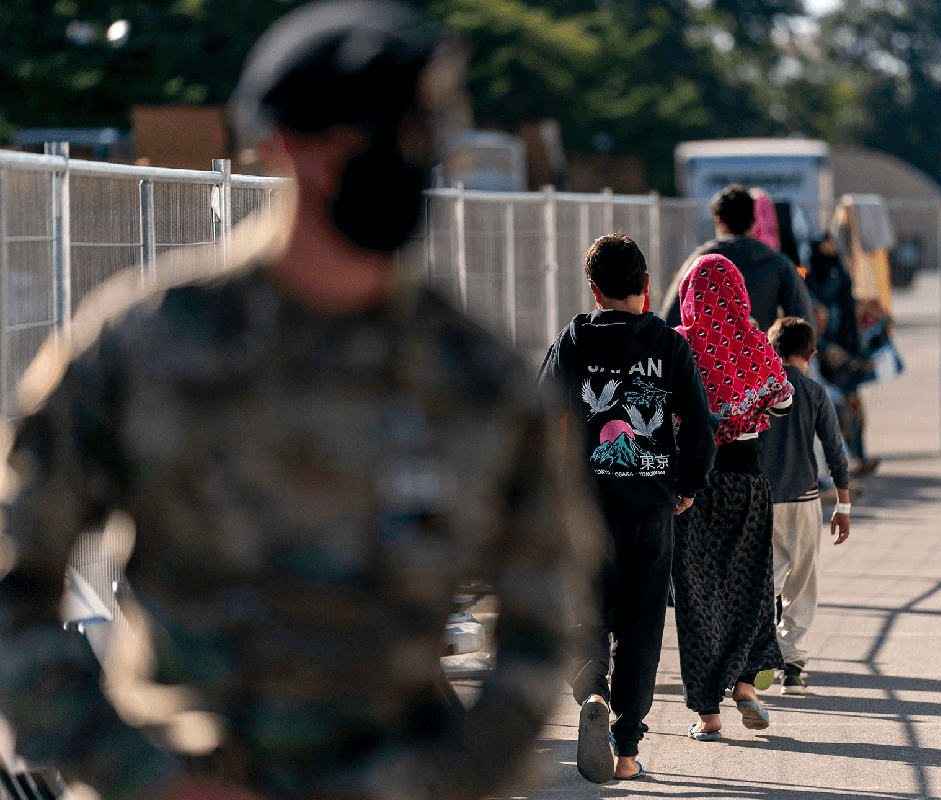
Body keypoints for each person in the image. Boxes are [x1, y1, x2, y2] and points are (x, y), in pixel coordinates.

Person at [0, 4, 599, 800]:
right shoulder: (142, 346)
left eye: (425, 133)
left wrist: (443, 780)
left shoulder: (477, 378)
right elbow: (15, 578)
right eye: (383, 134)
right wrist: (140, 772)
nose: (412, 157)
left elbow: (543, 623)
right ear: (285, 145)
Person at [538, 233, 717, 782]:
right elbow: (702, 431)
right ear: (645, 286)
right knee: (641, 627)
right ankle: (626, 751)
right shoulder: (668, 344)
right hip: (651, 510)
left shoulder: (574, 340)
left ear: (593, 291)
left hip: (587, 507)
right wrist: (686, 486)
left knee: (586, 612)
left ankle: (591, 691)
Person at [669, 254, 793, 741]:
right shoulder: (754, 341)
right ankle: (745, 686)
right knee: (752, 589)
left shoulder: (681, 343)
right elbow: (782, 399)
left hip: (693, 487)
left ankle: (708, 716)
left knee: (697, 598)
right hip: (747, 483)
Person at [759, 317, 851, 693]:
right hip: (804, 499)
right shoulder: (814, 392)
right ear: (810, 355)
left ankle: (759, 658)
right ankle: (792, 666)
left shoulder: (759, 389)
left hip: (761, 498)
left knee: (762, 579)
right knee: (802, 580)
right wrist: (843, 505)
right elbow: (834, 450)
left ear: (771, 349)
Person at [660, 183, 814, 332]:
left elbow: (669, 321)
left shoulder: (699, 262)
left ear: (719, 223)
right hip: (762, 355)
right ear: (754, 223)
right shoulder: (779, 263)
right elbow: (804, 324)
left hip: (710, 357)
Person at [804, 233, 879, 476]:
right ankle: (837, 463)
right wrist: (823, 348)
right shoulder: (807, 283)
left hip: (844, 358)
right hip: (817, 356)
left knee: (853, 408)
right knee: (831, 412)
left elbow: (849, 320)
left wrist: (857, 354)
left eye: (831, 251)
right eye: (824, 251)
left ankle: (857, 457)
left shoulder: (841, 279)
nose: (829, 257)